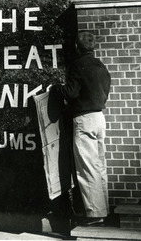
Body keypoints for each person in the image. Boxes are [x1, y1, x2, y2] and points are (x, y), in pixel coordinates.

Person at [48, 30, 111, 227]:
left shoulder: (77, 66)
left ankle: (94, 214)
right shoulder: (101, 67)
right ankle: (102, 210)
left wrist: (56, 88)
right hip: (99, 118)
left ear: (77, 46)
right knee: (99, 165)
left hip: (83, 119)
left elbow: (71, 92)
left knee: (86, 168)